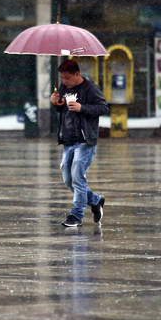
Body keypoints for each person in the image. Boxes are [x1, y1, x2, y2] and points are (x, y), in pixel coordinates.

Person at [50, 59, 110, 227]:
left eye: (67, 78)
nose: (64, 82)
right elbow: (62, 109)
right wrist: (55, 102)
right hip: (68, 140)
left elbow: (103, 108)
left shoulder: (90, 88)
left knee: (77, 177)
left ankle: (76, 215)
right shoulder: (63, 87)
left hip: (85, 140)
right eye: (62, 78)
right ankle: (95, 200)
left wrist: (82, 108)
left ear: (77, 74)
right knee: (68, 179)